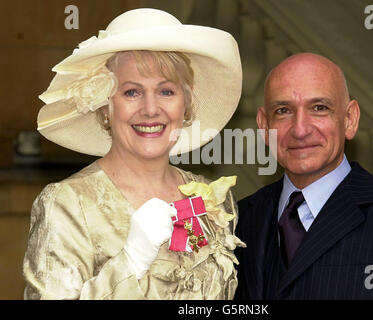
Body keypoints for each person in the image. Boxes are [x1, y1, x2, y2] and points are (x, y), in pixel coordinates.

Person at [23, 8, 245, 300]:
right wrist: (130, 261)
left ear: (186, 103)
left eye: (166, 91)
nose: (151, 109)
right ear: (106, 106)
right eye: (131, 92)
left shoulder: (209, 200)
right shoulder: (68, 204)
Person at [235, 53, 373, 299]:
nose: (300, 130)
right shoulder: (241, 218)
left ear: (349, 119)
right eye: (283, 111)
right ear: (263, 125)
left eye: (319, 108)